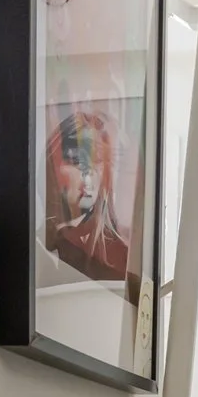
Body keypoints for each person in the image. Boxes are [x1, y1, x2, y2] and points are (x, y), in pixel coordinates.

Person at [43, 106, 132, 286]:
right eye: (77, 160)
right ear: (52, 168)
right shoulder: (32, 246)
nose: (88, 172)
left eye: (97, 161)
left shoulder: (121, 257)